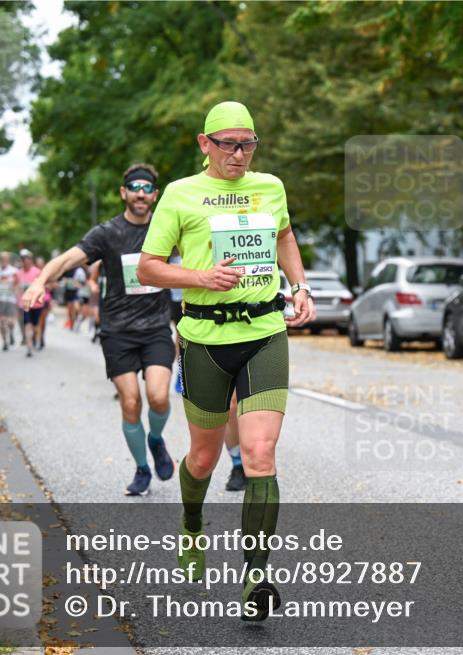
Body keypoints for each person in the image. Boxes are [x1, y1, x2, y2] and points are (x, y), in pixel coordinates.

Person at [138, 100, 315, 620]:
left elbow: (284, 234)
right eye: (228, 144)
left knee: (259, 454)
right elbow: (149, 268)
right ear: (204, 144)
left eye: (248, 143)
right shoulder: (179, 195)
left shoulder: (271, 187)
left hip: (265, 331)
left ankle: (256, 577)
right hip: (205, 340)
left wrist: (299, 285)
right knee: (203, 459)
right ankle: (192, 523)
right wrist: (200, 278)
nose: (239, 154)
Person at [23, 164, 176, 496]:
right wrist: (38, 281)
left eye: (146, 188)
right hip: (118, 330)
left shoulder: (167, 229)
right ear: (123, 193)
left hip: (155, 328)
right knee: (131, 402)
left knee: (159, 397)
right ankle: (141, 469)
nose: (140, 193)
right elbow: (65, 261)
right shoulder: (106, 234)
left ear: (155, 195)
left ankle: (155, 439)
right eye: (133, 187)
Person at [168, 249, 248, 492]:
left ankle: (254, 459)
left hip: (240, 318)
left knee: (240, 405)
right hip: (193, 313)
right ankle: (238, 464)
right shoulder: (172, 244)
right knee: (229, 406)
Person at [15, 250, 44, 358]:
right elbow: (16, 287)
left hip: (36, 304)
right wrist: (17, 300)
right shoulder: (18, 273)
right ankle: (29, 347)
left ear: (30, 261)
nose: (26, 262)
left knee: (36, 325)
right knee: (27, 324)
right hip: (25, 304)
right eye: (24, 260)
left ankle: (36, 339)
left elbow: (42, 285)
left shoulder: (37, 272)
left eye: (27, 260)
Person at [0, 252, 18, 351]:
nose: (4, 261)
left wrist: (14, 289)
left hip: (10, 299)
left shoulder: (13, 271)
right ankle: (5, 342)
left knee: (10, 321)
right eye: (2, 259)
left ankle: (11, 332)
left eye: (5, 259)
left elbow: (17, 283)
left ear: (8, 260)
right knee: (2, 321)